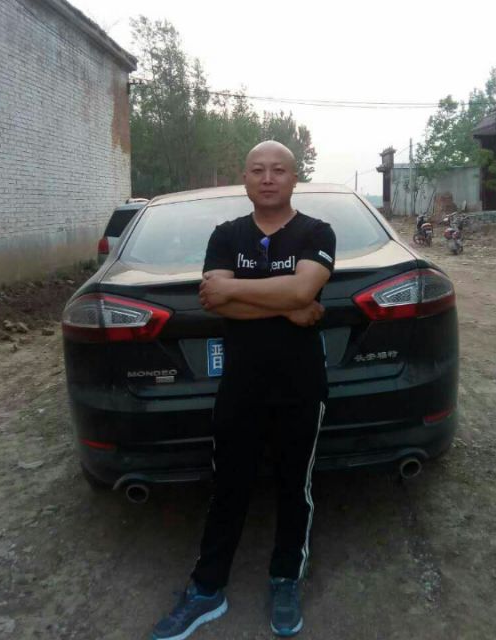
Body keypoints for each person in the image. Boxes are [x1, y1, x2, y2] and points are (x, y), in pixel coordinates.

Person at [151, 140, 336, 640]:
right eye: (258, 170)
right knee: (228, 488)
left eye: (278, 170)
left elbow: (300, 289)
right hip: (241, 387)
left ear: (294, 178)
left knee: (295, 488)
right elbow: (216, 301)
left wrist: (245, 289)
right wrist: (288, 306)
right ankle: (207, 589)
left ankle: (285, 579)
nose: (268, 178)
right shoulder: (226, 235)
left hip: (300, 386)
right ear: (246, 179)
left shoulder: (316, 232)